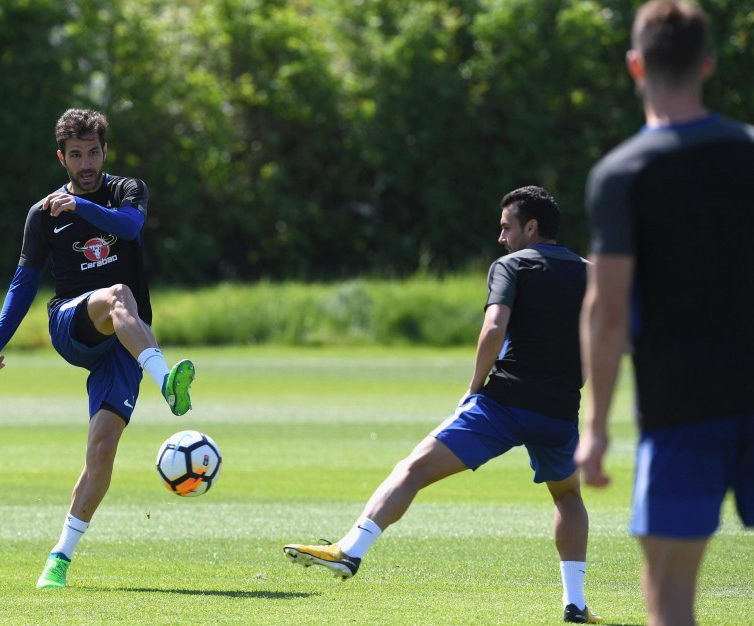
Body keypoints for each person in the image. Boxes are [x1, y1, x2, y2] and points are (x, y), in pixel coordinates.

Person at [285, 186, 600, 624]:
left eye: (507, 226)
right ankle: (575, 603)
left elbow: (493, 327)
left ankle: (350, 551)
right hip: (559, 411)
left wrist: (473, 387)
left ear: (531, 226)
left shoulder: (511, 265)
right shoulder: (590, 272)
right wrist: (574, 385)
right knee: (567, 496)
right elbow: (603, 339)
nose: (501, 237)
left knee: (412, 469)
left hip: (503, 403)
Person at [576, 1, 754, 624]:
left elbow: (608, 309)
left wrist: (595, 429)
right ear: (707, 64)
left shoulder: (622, 174)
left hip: (680, 409)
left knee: (671, 591)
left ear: (635, 65)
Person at [0, 108, 196, 590]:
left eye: (93, 152)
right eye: (75, 155)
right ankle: (167, 383)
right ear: (62, 158)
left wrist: (81, 208)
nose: (86, 163)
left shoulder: (126, 191)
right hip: (72, 323)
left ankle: (59, 558)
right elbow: (23, 282)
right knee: (118, 294)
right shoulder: (43, 213)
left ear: (105, 151)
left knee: (101, 452)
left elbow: (130, 228)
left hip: (125, 339)